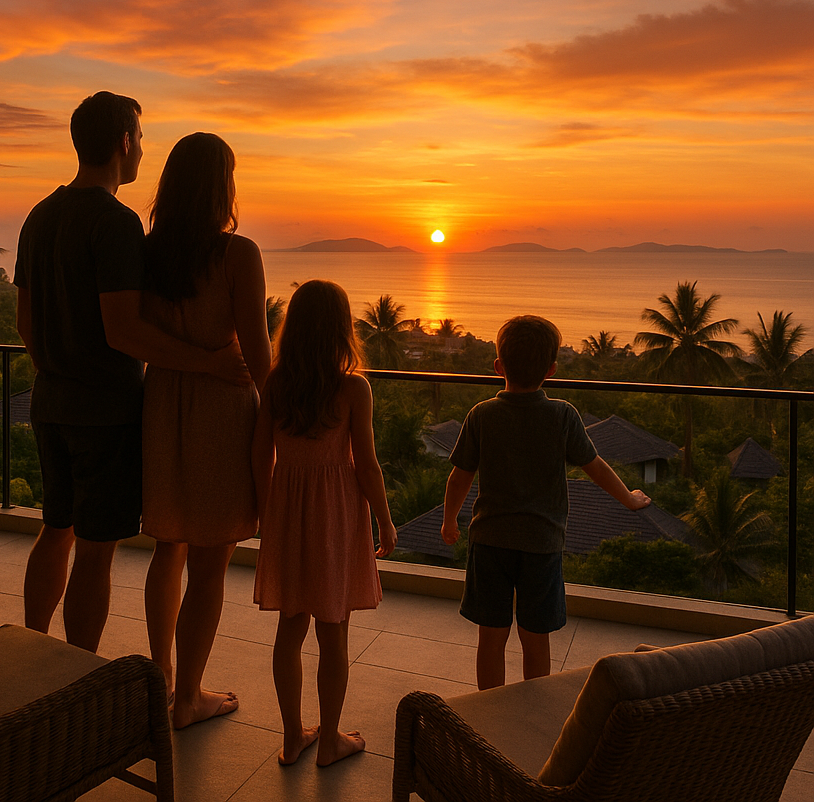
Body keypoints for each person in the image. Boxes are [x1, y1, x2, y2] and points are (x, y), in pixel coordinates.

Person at [15, 93, 249, 654]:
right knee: (95, 549)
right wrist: (209, 361)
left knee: (56, 528)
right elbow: (124, 331)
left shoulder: (40, 216)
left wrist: (60, 363)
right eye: (140, 137)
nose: (142, 148)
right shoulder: (115, 224)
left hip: (50, 400)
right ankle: (74, 671)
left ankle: (30, 648)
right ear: (123, 141)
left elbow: (25, 322)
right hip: (104, 411)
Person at [441, 314, 651, 691]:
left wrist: (449, 520)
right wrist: (629, 498)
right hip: (542, 543)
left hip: (490, 541)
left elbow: (459, 477)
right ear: (552, 369)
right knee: (535, 636)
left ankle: (489, 708)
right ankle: (534, 709)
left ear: (497, 366)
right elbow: (596, 467)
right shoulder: (562, 415)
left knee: (491, 638)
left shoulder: (482, 415)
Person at [140, 132, 271, 729]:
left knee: (169, 544)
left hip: (165, 401)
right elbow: (258, 353)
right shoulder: (237, 254)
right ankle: (188, 695)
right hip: (221, 406)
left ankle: (162, 675)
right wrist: (287, 423)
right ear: (224, 185)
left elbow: (138, 332)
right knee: (211, 562)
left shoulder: (149, 251)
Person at [253, 280, 397, 767]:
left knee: (289, 631)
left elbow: (259, 453)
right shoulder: (353, 387)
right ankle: (330, 738)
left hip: (287, 508)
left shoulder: (276, 382)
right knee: (333, 631)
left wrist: (265, 510)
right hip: (336, 513)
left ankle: (293, 736)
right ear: (342, 328)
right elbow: (367, 465)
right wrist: (385, 521)